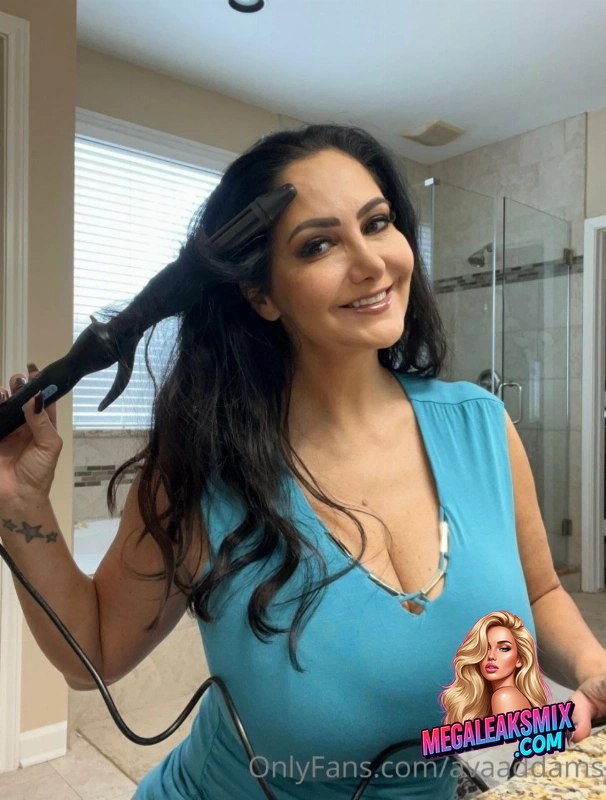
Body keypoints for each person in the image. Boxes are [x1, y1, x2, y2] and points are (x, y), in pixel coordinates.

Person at [1, 124, 605, 800]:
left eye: (377, 223)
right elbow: (95, 652)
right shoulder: (204, 467)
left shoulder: (480, 425)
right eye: (319, 244)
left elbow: (541, 593)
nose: (372, 263)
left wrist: (592, 666)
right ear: (261, 294)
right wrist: (21, 503)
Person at [440, 610, 550, 724]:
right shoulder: (499, 697)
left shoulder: (505, 697)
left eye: (504, 648)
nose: (491, 656)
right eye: (485, 648)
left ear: (520, 659)